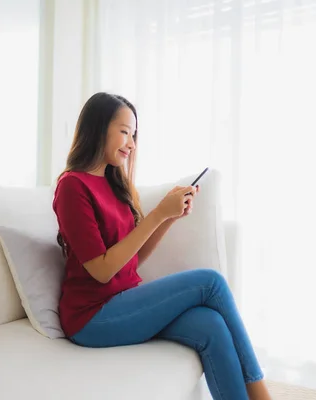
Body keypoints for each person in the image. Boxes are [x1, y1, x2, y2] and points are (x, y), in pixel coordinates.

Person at [52, 92, 272, 400]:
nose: (131, 143)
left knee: (211, 325)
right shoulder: (72, 186)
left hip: (124, 300)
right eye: (124, 132)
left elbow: (133, 259)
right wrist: (157, 214)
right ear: (99, 128)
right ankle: (262, 394)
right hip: (91, 317)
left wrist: (169, 218)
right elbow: (102, 270)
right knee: (211, 282)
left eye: (134, 135)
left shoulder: (115, 185)